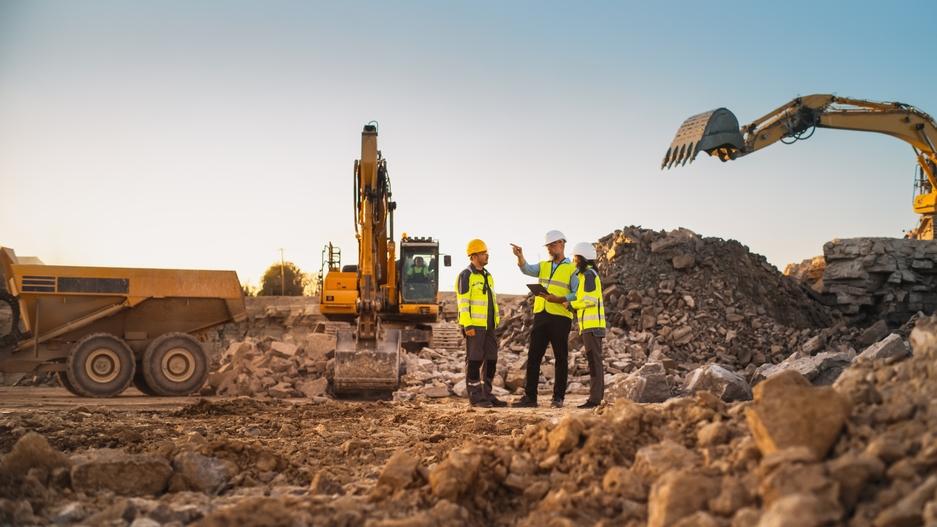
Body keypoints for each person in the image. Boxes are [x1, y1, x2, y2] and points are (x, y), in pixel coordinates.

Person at [510, 230, 579, 408]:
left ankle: (558, 398)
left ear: (562, 244)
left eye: (552, 245)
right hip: (541, 315)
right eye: (548, 246)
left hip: (561, 317)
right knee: (533, 357)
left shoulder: (572, 268)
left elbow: (576, 293)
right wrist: (520, 256)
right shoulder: (544, 265)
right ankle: (530, 397)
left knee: (561, 358)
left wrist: (560, 299)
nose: (549, 248)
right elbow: (526, 269)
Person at [455, 239, 505, 408]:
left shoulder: (487, 275)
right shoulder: (466, 275)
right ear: (474, 256)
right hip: (474, 326)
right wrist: (467, 325)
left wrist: (495, 321)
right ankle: (476, 398)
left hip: (489, 326)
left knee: (491, 359)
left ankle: (487, 394)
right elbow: (463, 302)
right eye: (483, 253)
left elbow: (492, 300)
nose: (487, 255)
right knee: (474, 360)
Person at [564, 242, 606, 408]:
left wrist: (572, 306)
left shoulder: (589, 275)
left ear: (582, 258)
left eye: (575, 258)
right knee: (594, 362)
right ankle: (595, 398)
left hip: (593, 327)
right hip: (590, 326)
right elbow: (583, 299)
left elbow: (589, 300)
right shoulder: (586, 276)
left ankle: (595, 400)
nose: (573, 261)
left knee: (594, 363)